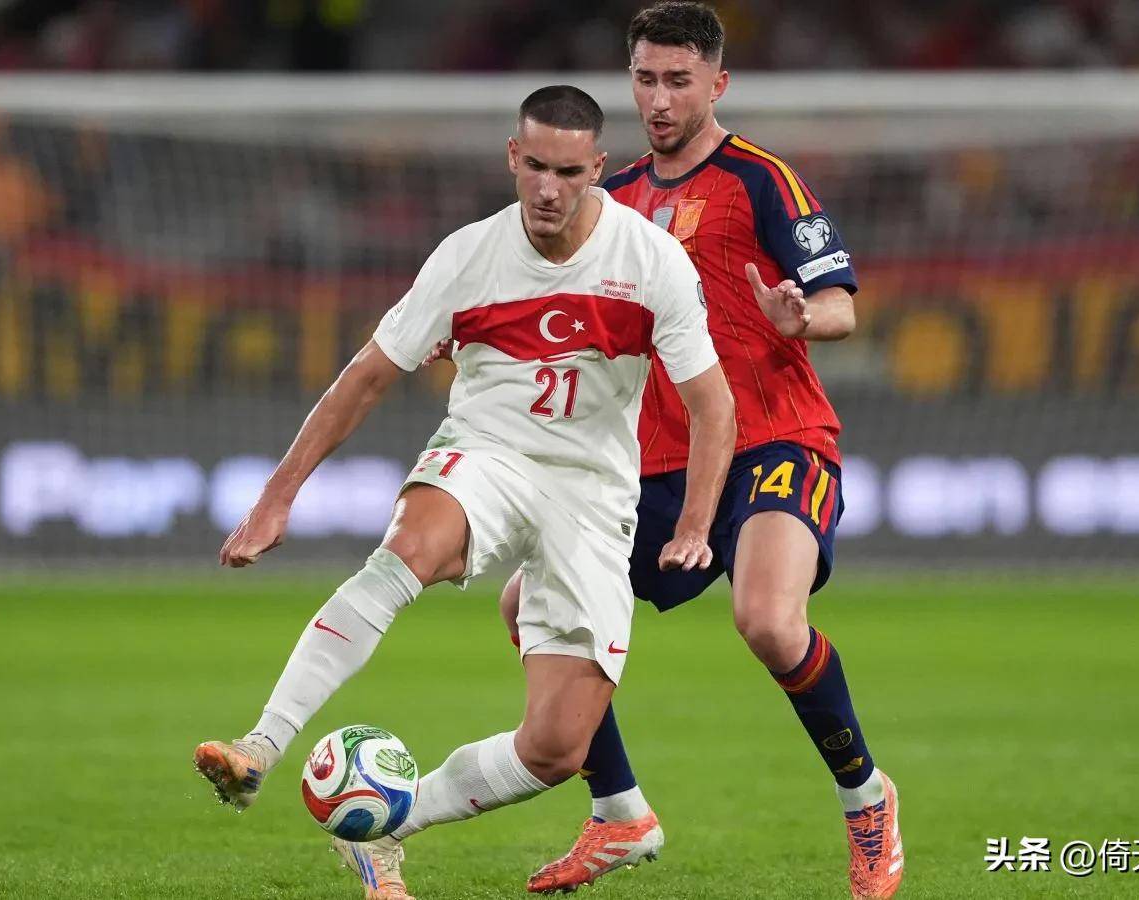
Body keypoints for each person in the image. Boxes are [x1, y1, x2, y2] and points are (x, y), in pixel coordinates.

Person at [193, 84, 735, 900]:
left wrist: (693, 525)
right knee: (407, 550)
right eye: (536, 167)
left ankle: (383, 830)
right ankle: (261, 746)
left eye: (569, 172)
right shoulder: (467, 257)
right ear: (513, 157)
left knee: (557, 748)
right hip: (488, 454)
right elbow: (365, 377)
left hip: (592, 493)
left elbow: (712, 407)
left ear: (598, 169)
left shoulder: (651, 260)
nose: (548, 189)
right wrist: (278, 496)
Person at [498, 5, 904, 899]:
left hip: (774, 438)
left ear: (717, 83)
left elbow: (841, 303)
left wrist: (803, 318)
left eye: (679, 80)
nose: (660, 98)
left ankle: (866, 798)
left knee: (767, 621)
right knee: (527, 603)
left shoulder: (762, 180)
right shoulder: (611, 200)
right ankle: (617, 814)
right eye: (646, 78)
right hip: (655, 463)